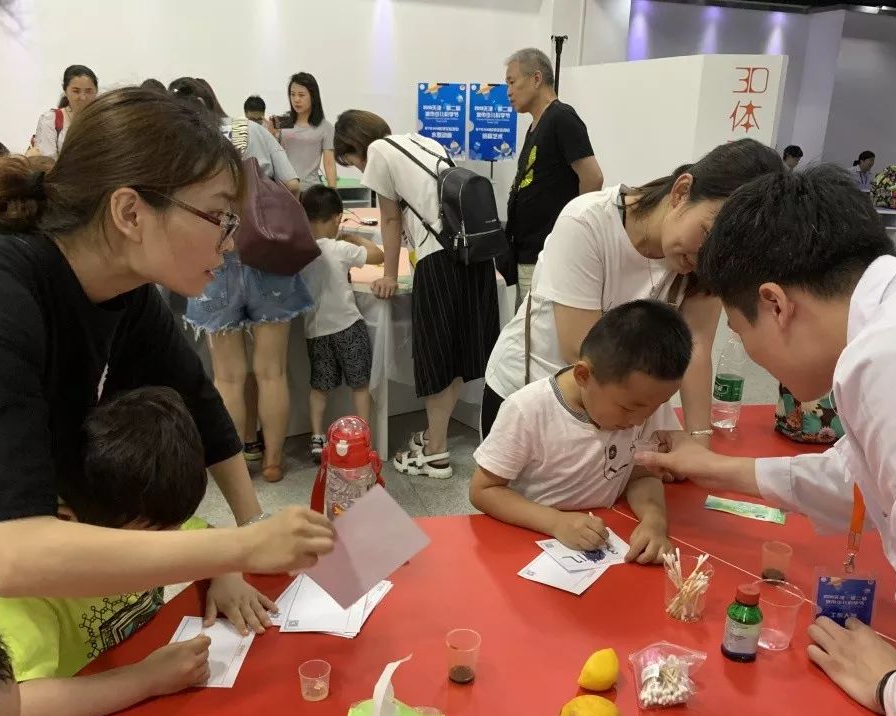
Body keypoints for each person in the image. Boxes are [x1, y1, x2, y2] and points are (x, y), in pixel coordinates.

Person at [644, 164, 896, 716]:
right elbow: (859, 476)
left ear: (775, 304)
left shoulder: (892, 361)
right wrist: (712, 467)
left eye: (743, 338)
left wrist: (890, 685)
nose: (755, 358)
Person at [0, 87, 335, 625]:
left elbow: (202, 407)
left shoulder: (127, 292)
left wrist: (252, 526)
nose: (232, 242)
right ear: (130, 211)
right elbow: (12, 555)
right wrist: (238, 549)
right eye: (220, 216)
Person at [481, 138, 785, 441]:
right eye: (707, 233)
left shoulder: (706, 261)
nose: (708, 257)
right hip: (533, 392)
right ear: (681, 192)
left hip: (613, 407)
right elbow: (582, 348)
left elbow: (696, 348)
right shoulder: (587, 222)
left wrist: (699, 439)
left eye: (724, 250)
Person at [0, 387, 223, 716]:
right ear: (68, 521)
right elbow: (12, 712)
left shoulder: (134, 512)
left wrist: (227, 573)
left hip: (150, 711)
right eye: (151, 536)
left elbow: (204, 538)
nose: (170, 543)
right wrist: (145, 679)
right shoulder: (29, 590)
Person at [335, 109, 501, 479]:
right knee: (457, 354)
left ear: (353, 145)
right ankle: (432, 439)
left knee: (436, 354)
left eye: (349, 160)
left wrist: (389, 275)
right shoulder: (423, 141)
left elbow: (391, 219)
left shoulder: (378, 151)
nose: (357, 169)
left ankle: (436, 453)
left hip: (439, 260)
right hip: (474, 256)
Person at [472, 300, 690, 564]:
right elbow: (483, 490)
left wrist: (654, 521)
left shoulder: (640, 403)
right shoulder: (527, 411)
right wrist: (555, 522)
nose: (639, 420)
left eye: (656, 407)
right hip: (528, 546)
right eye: (628, 408)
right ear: (583, 376)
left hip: (601, 545)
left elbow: (639, 474)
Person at [173, 76, 311, 484]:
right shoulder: (249, 129)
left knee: (229, 378)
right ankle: (273, 461)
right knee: (272, 372)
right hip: (266, 254)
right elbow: (291, 183)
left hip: (211, 261)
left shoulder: (176, 143)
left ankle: (236, 467)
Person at [505, 47, 603, 306]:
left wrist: (573, 235)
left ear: (536, 79)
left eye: (512, 82)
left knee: (534, 336)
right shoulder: (536, 125)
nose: (508, 91)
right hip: (528, 252)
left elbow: (593, 178)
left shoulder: (562, 117)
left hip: (547, 252)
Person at [299, 184, 383, 458]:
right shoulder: (338, 248)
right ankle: (363, 437)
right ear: (336, 219)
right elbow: (378, 255)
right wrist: (355, 239)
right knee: (360, 384)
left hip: (315, 331)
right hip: (348, 326)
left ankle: (317, 438)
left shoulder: (300, 250)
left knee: (319, 388)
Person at [274, 72, 336, 191]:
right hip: (284, 189)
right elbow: (273, 153)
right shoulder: (282, 121)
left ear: (313, 96)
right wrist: (272, 133)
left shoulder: (325, 127)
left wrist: (333, 193)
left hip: (311, 190)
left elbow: (329, 163)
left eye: (301, 95)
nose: (296, 99)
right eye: (292, 95)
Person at [32, 64, 97, 158]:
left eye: (88, 91)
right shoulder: (51, 120)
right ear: (66, 91)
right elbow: (47, 162)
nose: (83, 97)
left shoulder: (103, 119)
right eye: (76, 91)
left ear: (96, 91)